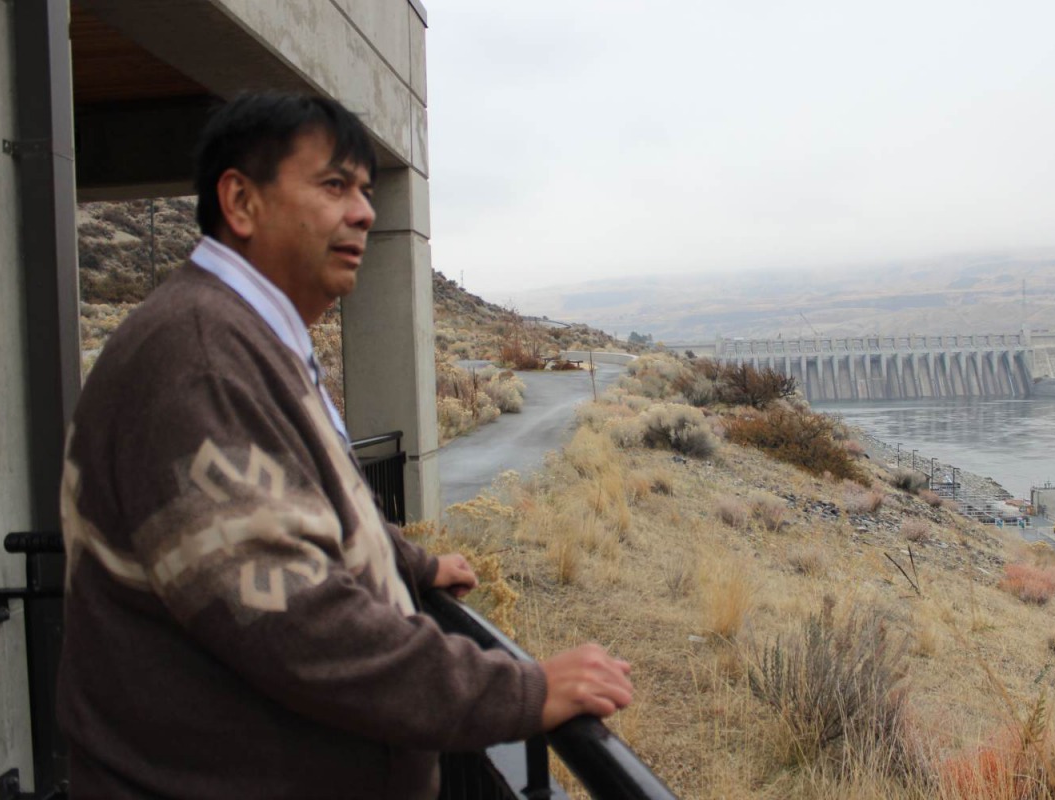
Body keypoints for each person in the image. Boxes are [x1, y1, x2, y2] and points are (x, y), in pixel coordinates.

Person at [57, 91, 632, 799]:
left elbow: (294, 502)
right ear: (241, 202)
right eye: (333, 185)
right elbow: (294, 622)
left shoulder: (248, 337)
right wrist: (520, 690)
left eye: (364, 189)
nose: (364, 211)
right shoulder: (198, 360)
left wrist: (409, 564)